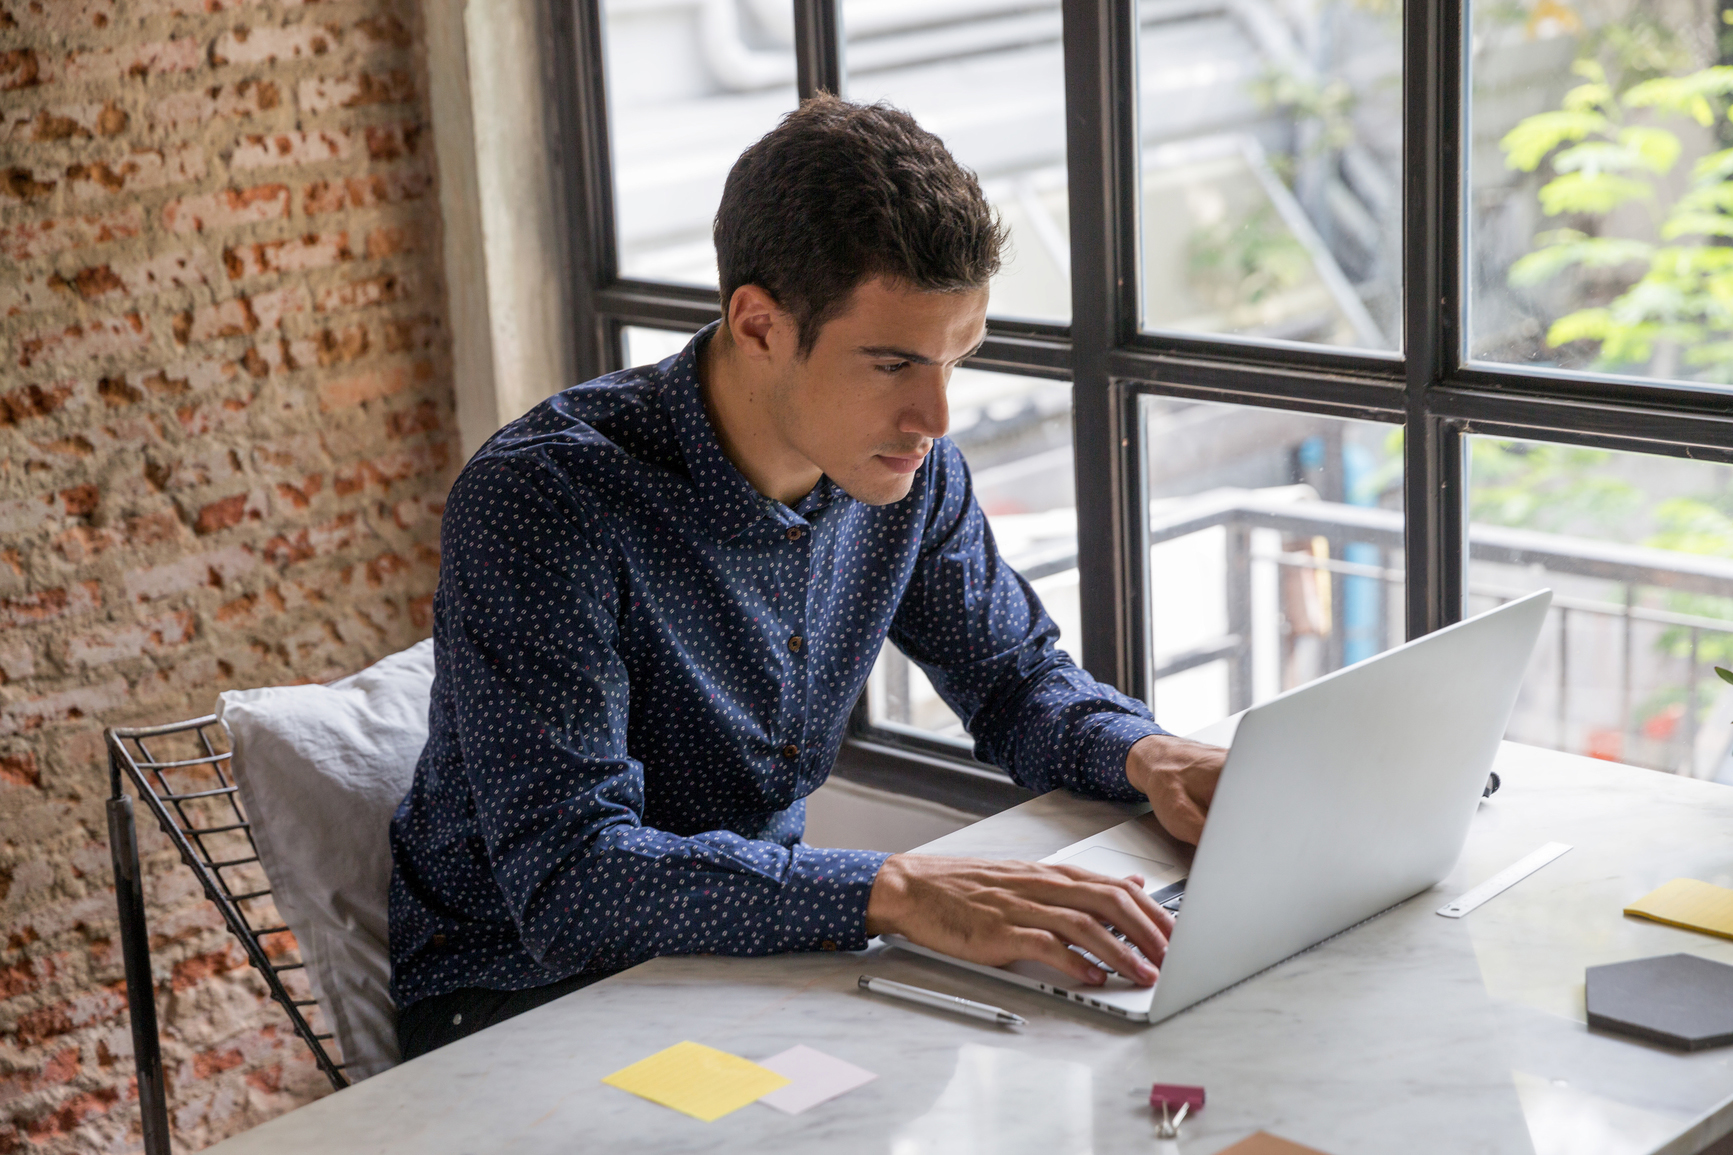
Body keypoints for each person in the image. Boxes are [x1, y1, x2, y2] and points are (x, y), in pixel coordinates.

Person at [388, 93, 1227, 1060]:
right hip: (524, 1005)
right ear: (756, 325)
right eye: (892, 363)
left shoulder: (905, 471)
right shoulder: (544, 500)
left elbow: (1012, 679)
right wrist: (901, 893)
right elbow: (574, 883)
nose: (937, 416)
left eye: (959, 357)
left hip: (754, 958)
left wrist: (1147, 755)